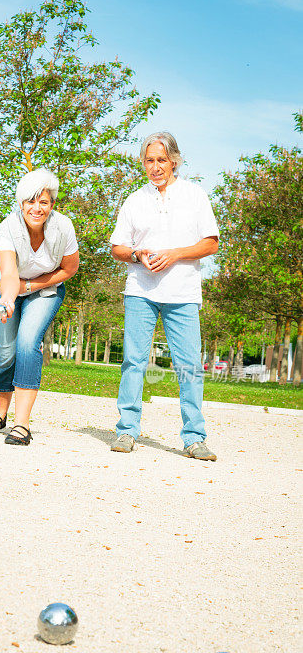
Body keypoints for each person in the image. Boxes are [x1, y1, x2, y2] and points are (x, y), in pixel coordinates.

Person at [109, 131, 219, 461]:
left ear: (174, 161)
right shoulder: (134, 200)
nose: (155, 166)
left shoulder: (195, 196)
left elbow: (211, 243)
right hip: (140, 292)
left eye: (161, 160)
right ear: (143, 163)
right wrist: (136, 255)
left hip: (183, 293)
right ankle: (126, 430)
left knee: (188, 367)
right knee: (134, 361)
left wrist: (174, 255)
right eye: (149, 160)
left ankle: (194, 438)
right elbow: (117, 247)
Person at [0, 168, 79, 445]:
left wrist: (33, 286)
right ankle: (0, 412)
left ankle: (21, 424)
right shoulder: (6, 229)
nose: (37, 208)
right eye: (30, 202)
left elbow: (69, 268)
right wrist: (9, 298)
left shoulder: (64, 228)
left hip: (45, 291)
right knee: (5, 351)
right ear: (21, 203)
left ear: (52, 204)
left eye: (43, 202)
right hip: (6, 291)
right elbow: (10, 274)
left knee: (27, 343)